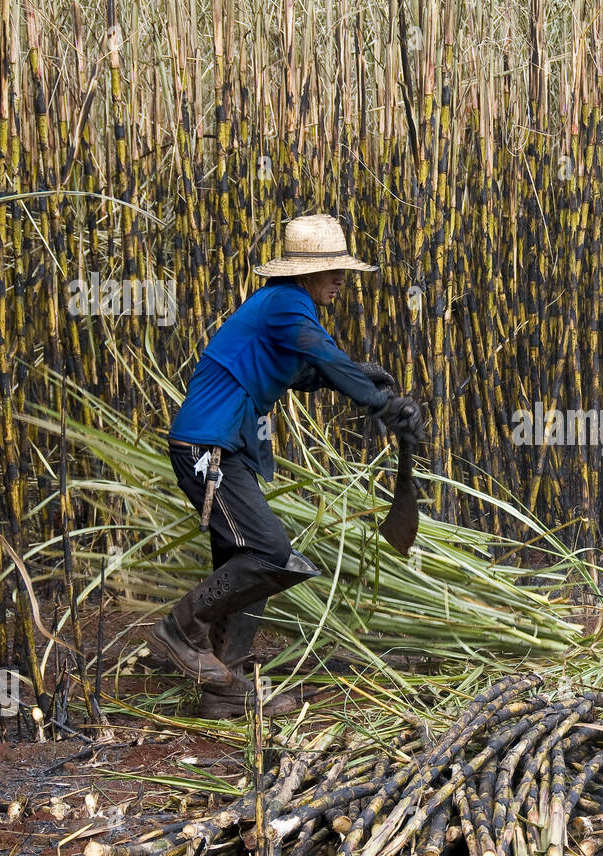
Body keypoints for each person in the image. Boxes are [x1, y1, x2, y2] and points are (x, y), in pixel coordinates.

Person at [147, 214, 424, 718]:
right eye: (333, 270)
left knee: (249, 568)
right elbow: (320, 353)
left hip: (225, 448)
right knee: (270, 555)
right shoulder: (285, 304)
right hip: (207, 449)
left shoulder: (281, 309)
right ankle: (177, 629)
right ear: (302, 272)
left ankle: (224, 691)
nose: (342, 279)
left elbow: (302, 371)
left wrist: (363, 376)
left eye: (345, 270)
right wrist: (377, 402)